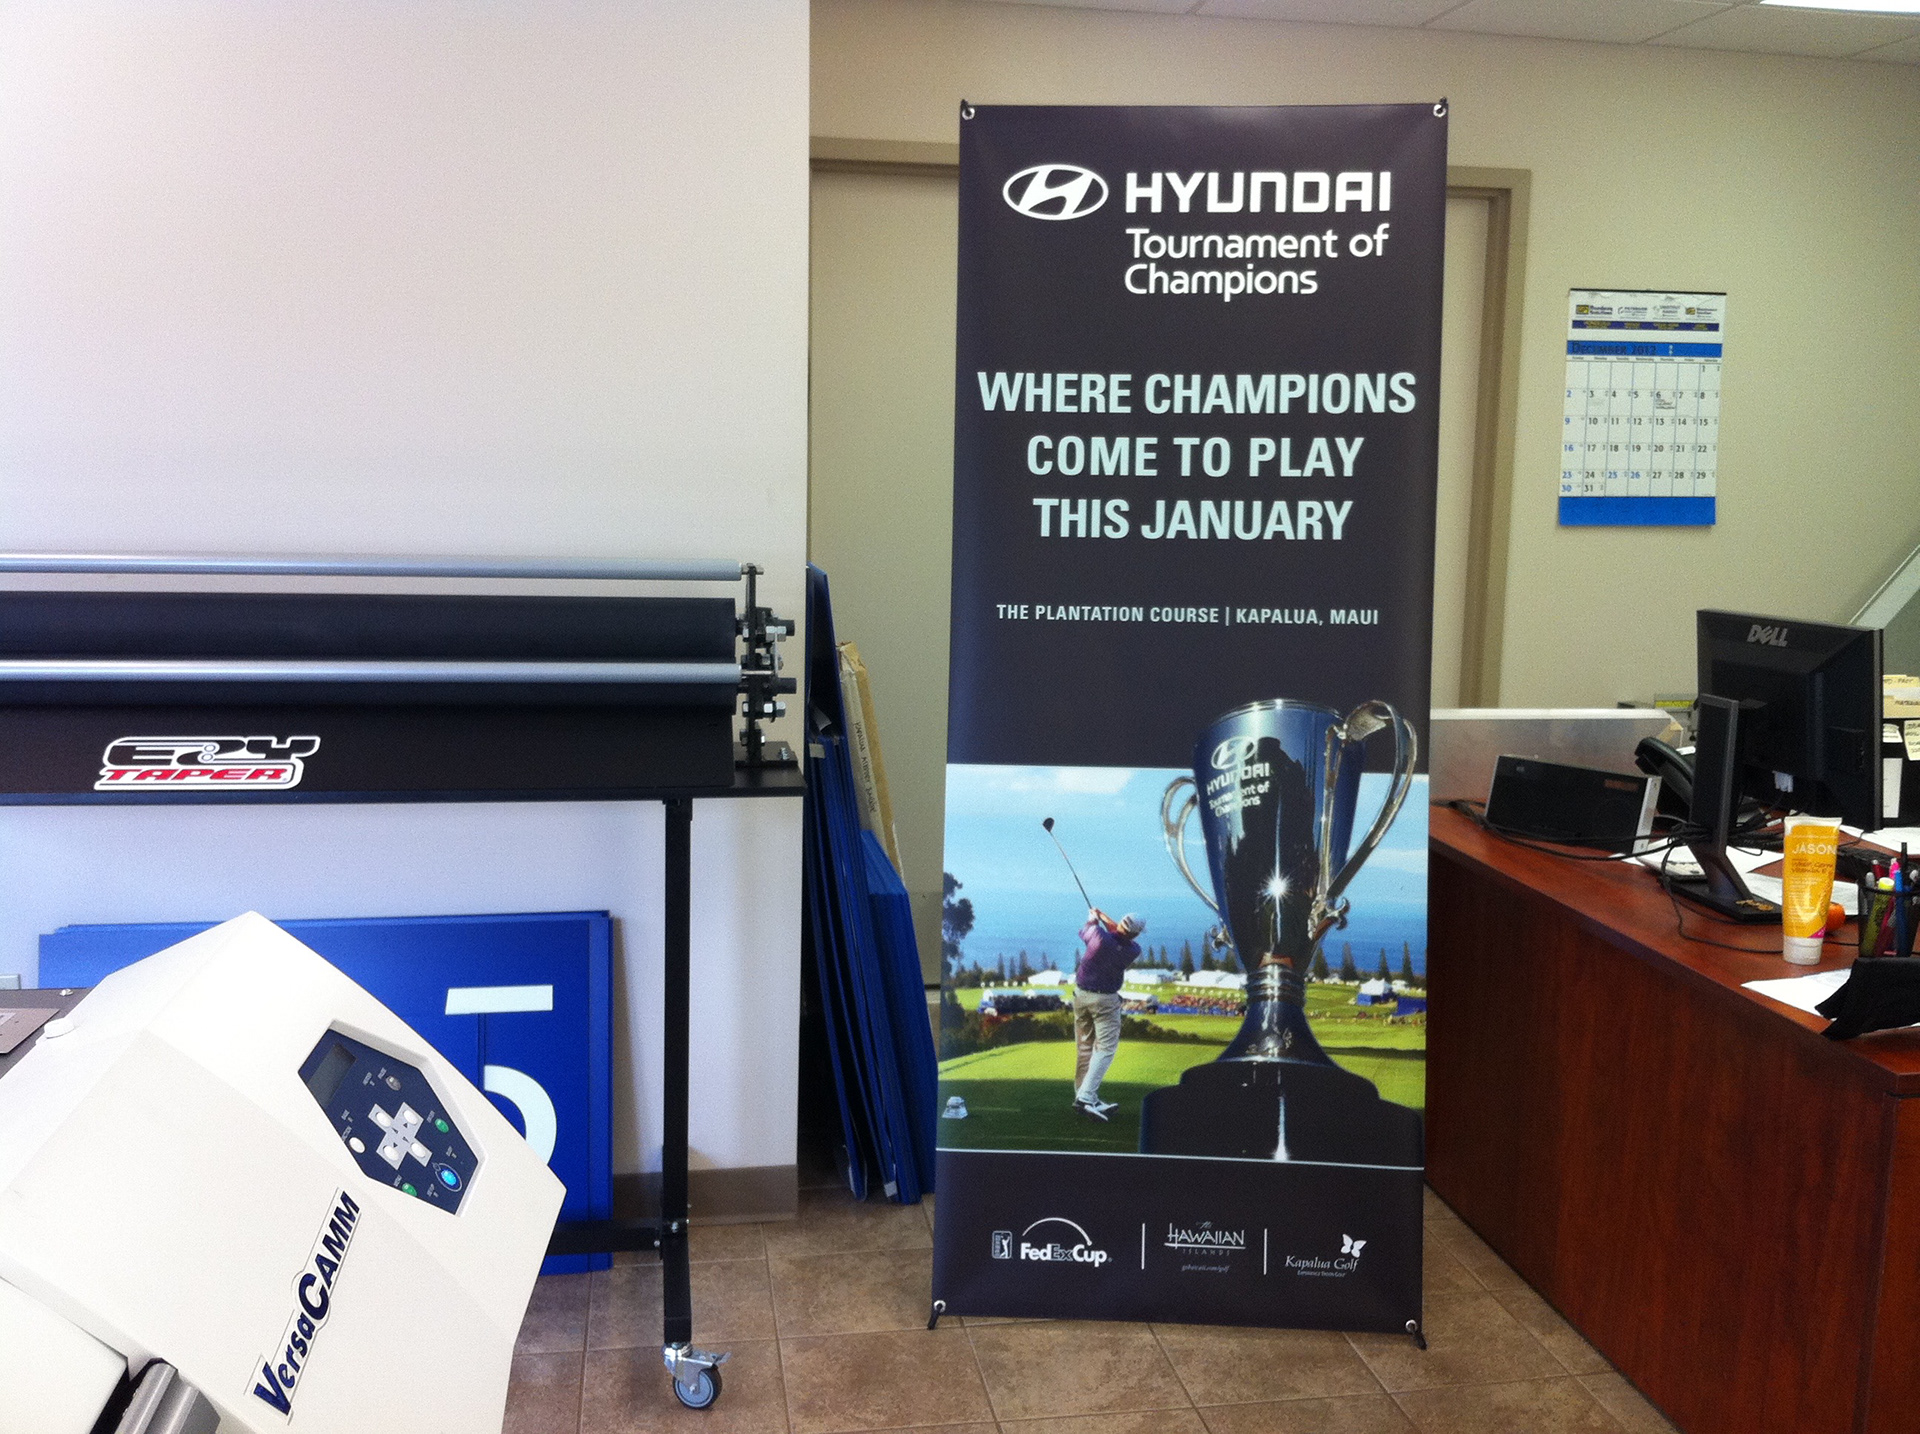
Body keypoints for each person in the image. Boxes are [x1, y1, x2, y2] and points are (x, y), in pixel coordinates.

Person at [1071, 908, 1144, 1120]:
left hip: (1081, 996)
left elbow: (1093, 931)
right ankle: (1086, 1097)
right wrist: (1102, 917)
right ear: (1136, 934)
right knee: (1105, 1048)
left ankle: (1084, 1096)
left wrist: (1093, 919)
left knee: (1085, 1048)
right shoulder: (1133, 949)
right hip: (1105, 1001)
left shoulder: (1097, 936)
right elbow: (1120, 934)